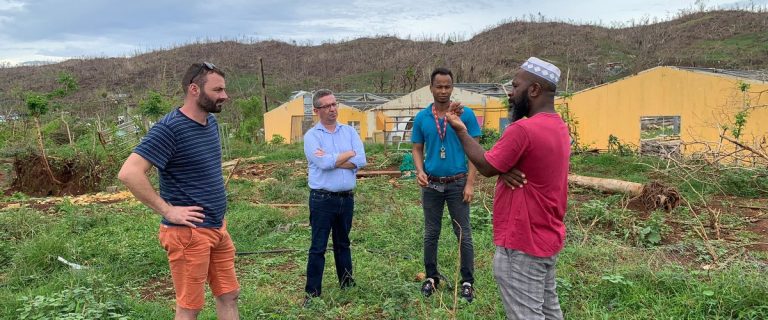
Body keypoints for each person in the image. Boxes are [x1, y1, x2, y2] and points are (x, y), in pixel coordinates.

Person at [445, 57, 569, 319]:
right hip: (546, 238)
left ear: (534, 90)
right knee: (550, 313)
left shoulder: (523, 129)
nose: (511, 94)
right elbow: (516, 165)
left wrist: (461, 131)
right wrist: (503, 168)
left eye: (515, 86)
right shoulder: (559, 127)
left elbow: (488, 166)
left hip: (522, 242)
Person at [118, 62, 239, 320]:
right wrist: (168, 210)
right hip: (188, 235)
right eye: (218, 90)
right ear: (194, 89)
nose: (225, 96)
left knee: (229, 295)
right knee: (189, 307)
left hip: (217, 227)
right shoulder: (170, 128)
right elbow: (129, 172)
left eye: (224, 89)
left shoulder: (210, 123)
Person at [411, 67, 480, 302]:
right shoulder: (422, 118)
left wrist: (470, 183)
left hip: (457, 183)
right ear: (430, 88)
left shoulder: (465, 115)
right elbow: (417, 148)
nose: (443, 91)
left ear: (452, 88)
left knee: (463, 234)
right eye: (438, 86)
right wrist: (419, 170)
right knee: (431, 233)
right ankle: (431, 277)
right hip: (431, 185)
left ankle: (467, 282)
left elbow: (475, 152)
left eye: (447, 86)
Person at [302, 89, 367, 306]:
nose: (332, 109)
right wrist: (349, 155)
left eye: (334, 104)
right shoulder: (312, 137)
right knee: (318, 246)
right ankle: (312, 294)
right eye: (327, 106)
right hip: (322, 199)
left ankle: (347, 284)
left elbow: (362, 159)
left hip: (346, 198)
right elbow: (322, 163)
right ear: (317, 110)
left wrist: (335, 159)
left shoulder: (348, 131)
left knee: (343, 243)